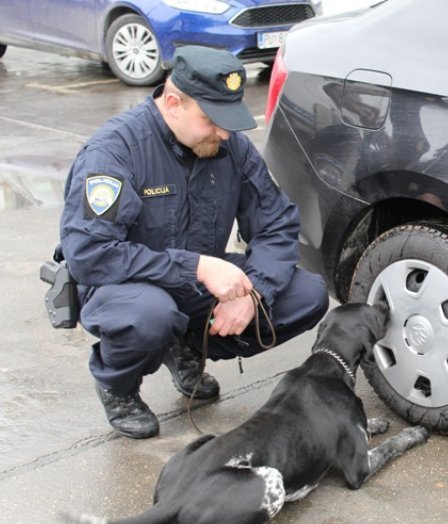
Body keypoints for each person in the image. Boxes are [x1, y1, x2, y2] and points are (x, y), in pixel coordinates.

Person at [59, 46, 329, 439]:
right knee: (151, 315)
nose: (223, 132)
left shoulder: (229, 146)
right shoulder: (115, 153)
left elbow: (277, 223)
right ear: (173, 103)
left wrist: (252, 293)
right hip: (126, 290)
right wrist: (199, 267)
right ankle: (118, 387)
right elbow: (90, 255)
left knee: (307, 294)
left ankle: (185, 348)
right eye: (212, 120)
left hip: (198, 285)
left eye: (229, 121)